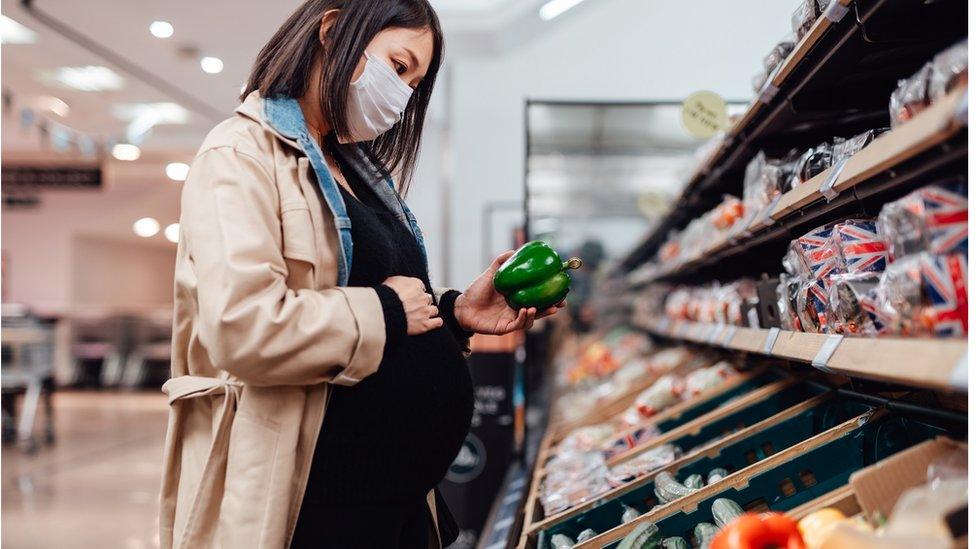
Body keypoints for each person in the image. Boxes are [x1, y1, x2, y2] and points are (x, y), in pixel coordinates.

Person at [157, 1, 563, 548]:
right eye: (398, 67)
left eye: (415, 83)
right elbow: (242, 327)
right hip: (311, 504)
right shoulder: (238, 155)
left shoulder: (352, 167)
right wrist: (390, 310)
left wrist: (451, 315)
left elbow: (367, 298)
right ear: (331, 30)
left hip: (393, 505)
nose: (402, 94)